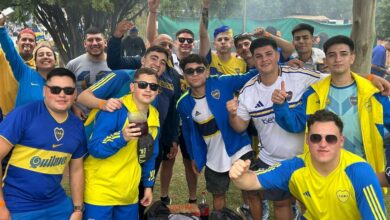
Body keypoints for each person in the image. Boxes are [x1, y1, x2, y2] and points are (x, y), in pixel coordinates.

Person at [228, 37, 323, 220]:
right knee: (281, 204)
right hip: (272, 160)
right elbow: (240, 126)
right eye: (259, 56)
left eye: (269, 54)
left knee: (308, 203)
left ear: (278, 55)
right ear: (253, 60)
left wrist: (371, 78)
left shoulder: (300, 76)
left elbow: (333, 78)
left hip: (304, 159)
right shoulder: (248, 91)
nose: (264, 60)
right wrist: (232, 114)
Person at [230, 109, 386, 219]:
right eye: (316, 138)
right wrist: (239, 176)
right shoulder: (296, 167)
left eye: (330, 138)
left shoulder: (359, 171)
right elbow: (252, 181)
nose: (323, 144)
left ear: (341, 141)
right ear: (307, 139)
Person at [272, 35, 390, 176]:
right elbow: (295, 123)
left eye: (344, 54)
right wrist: (280, 105)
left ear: (352, 58)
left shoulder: (373, 92)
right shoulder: (313, 94)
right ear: (326, 60)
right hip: (324, 172)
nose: (338, 59)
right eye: (332, 55)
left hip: (363, 169)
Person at [0, 68, 87, 220]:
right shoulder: (24, 114)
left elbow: (77, 169)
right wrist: (1, 206)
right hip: (18, 206)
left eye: (68, 90)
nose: (62, 94)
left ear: (75, 94)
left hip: (57, 204)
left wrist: (78, 209)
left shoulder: (77, 126)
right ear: (44, 91)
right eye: (55, 89)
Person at [177, 54, 258, 211]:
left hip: (239, 146)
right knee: (218, 195)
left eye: (199, 70)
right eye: (189, 71)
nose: (195, 74)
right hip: (213, 157)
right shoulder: (183, 103)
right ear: (184, 76)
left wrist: (284, 62)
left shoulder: (223, 82)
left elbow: (251, 75)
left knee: (251, 191)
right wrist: (194, 157)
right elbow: (188, 133)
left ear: (207, 72)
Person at [83, 67, 160, 220]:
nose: (148, 89)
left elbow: (150, 155)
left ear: (157, 91)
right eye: (142, 85)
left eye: (153, 86)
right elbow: (95, 148)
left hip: (128, 194)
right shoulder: (115, 108)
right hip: (100, 191)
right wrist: (122, 137)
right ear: (132, 87)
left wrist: (148, 186)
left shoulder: (154, 114)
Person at [146, 0, 198, 205]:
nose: (184, 43)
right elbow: (152, 41)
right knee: (166, 160)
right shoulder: (162, 63)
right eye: (180, 40)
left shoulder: (195, 61)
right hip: (162, 123)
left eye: (188, 40)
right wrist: (152, 12)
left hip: (189, 120)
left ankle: (193, 198)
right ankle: (164, 197)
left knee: (189, 161)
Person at [0, 15, 57, 107]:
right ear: (36, 60)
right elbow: (10, 51)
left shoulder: (59, 79)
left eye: (49, 54)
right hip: (10, 116)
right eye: (41, 55)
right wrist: (1, 28)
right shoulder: (25, 72)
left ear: (55, 60)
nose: (45, 57)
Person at [66, 27, 111, 118]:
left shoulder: (116, 64)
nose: (94, 43)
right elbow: (65, 90)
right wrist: (74, 107)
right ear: (85, 44)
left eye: (98, 39)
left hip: (108, 116)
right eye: (90, 40)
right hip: (81, 117)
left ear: (105, 43)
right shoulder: (73, 64)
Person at [199, 0, 246, 75]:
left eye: (226, 39)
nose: (223, 42)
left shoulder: (242, 64)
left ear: (232, 43)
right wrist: (205, 6)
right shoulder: (210, 58)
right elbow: (203, 35)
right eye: (219, 39)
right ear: (214, 44)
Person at [0, 28, 36, 117]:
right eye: (24, 39)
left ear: (36, 44)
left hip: (31, 119)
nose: (27, 42)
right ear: (16, 42)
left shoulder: (40, 65)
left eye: (31, 40)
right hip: (6, 117)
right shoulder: (3, 58)